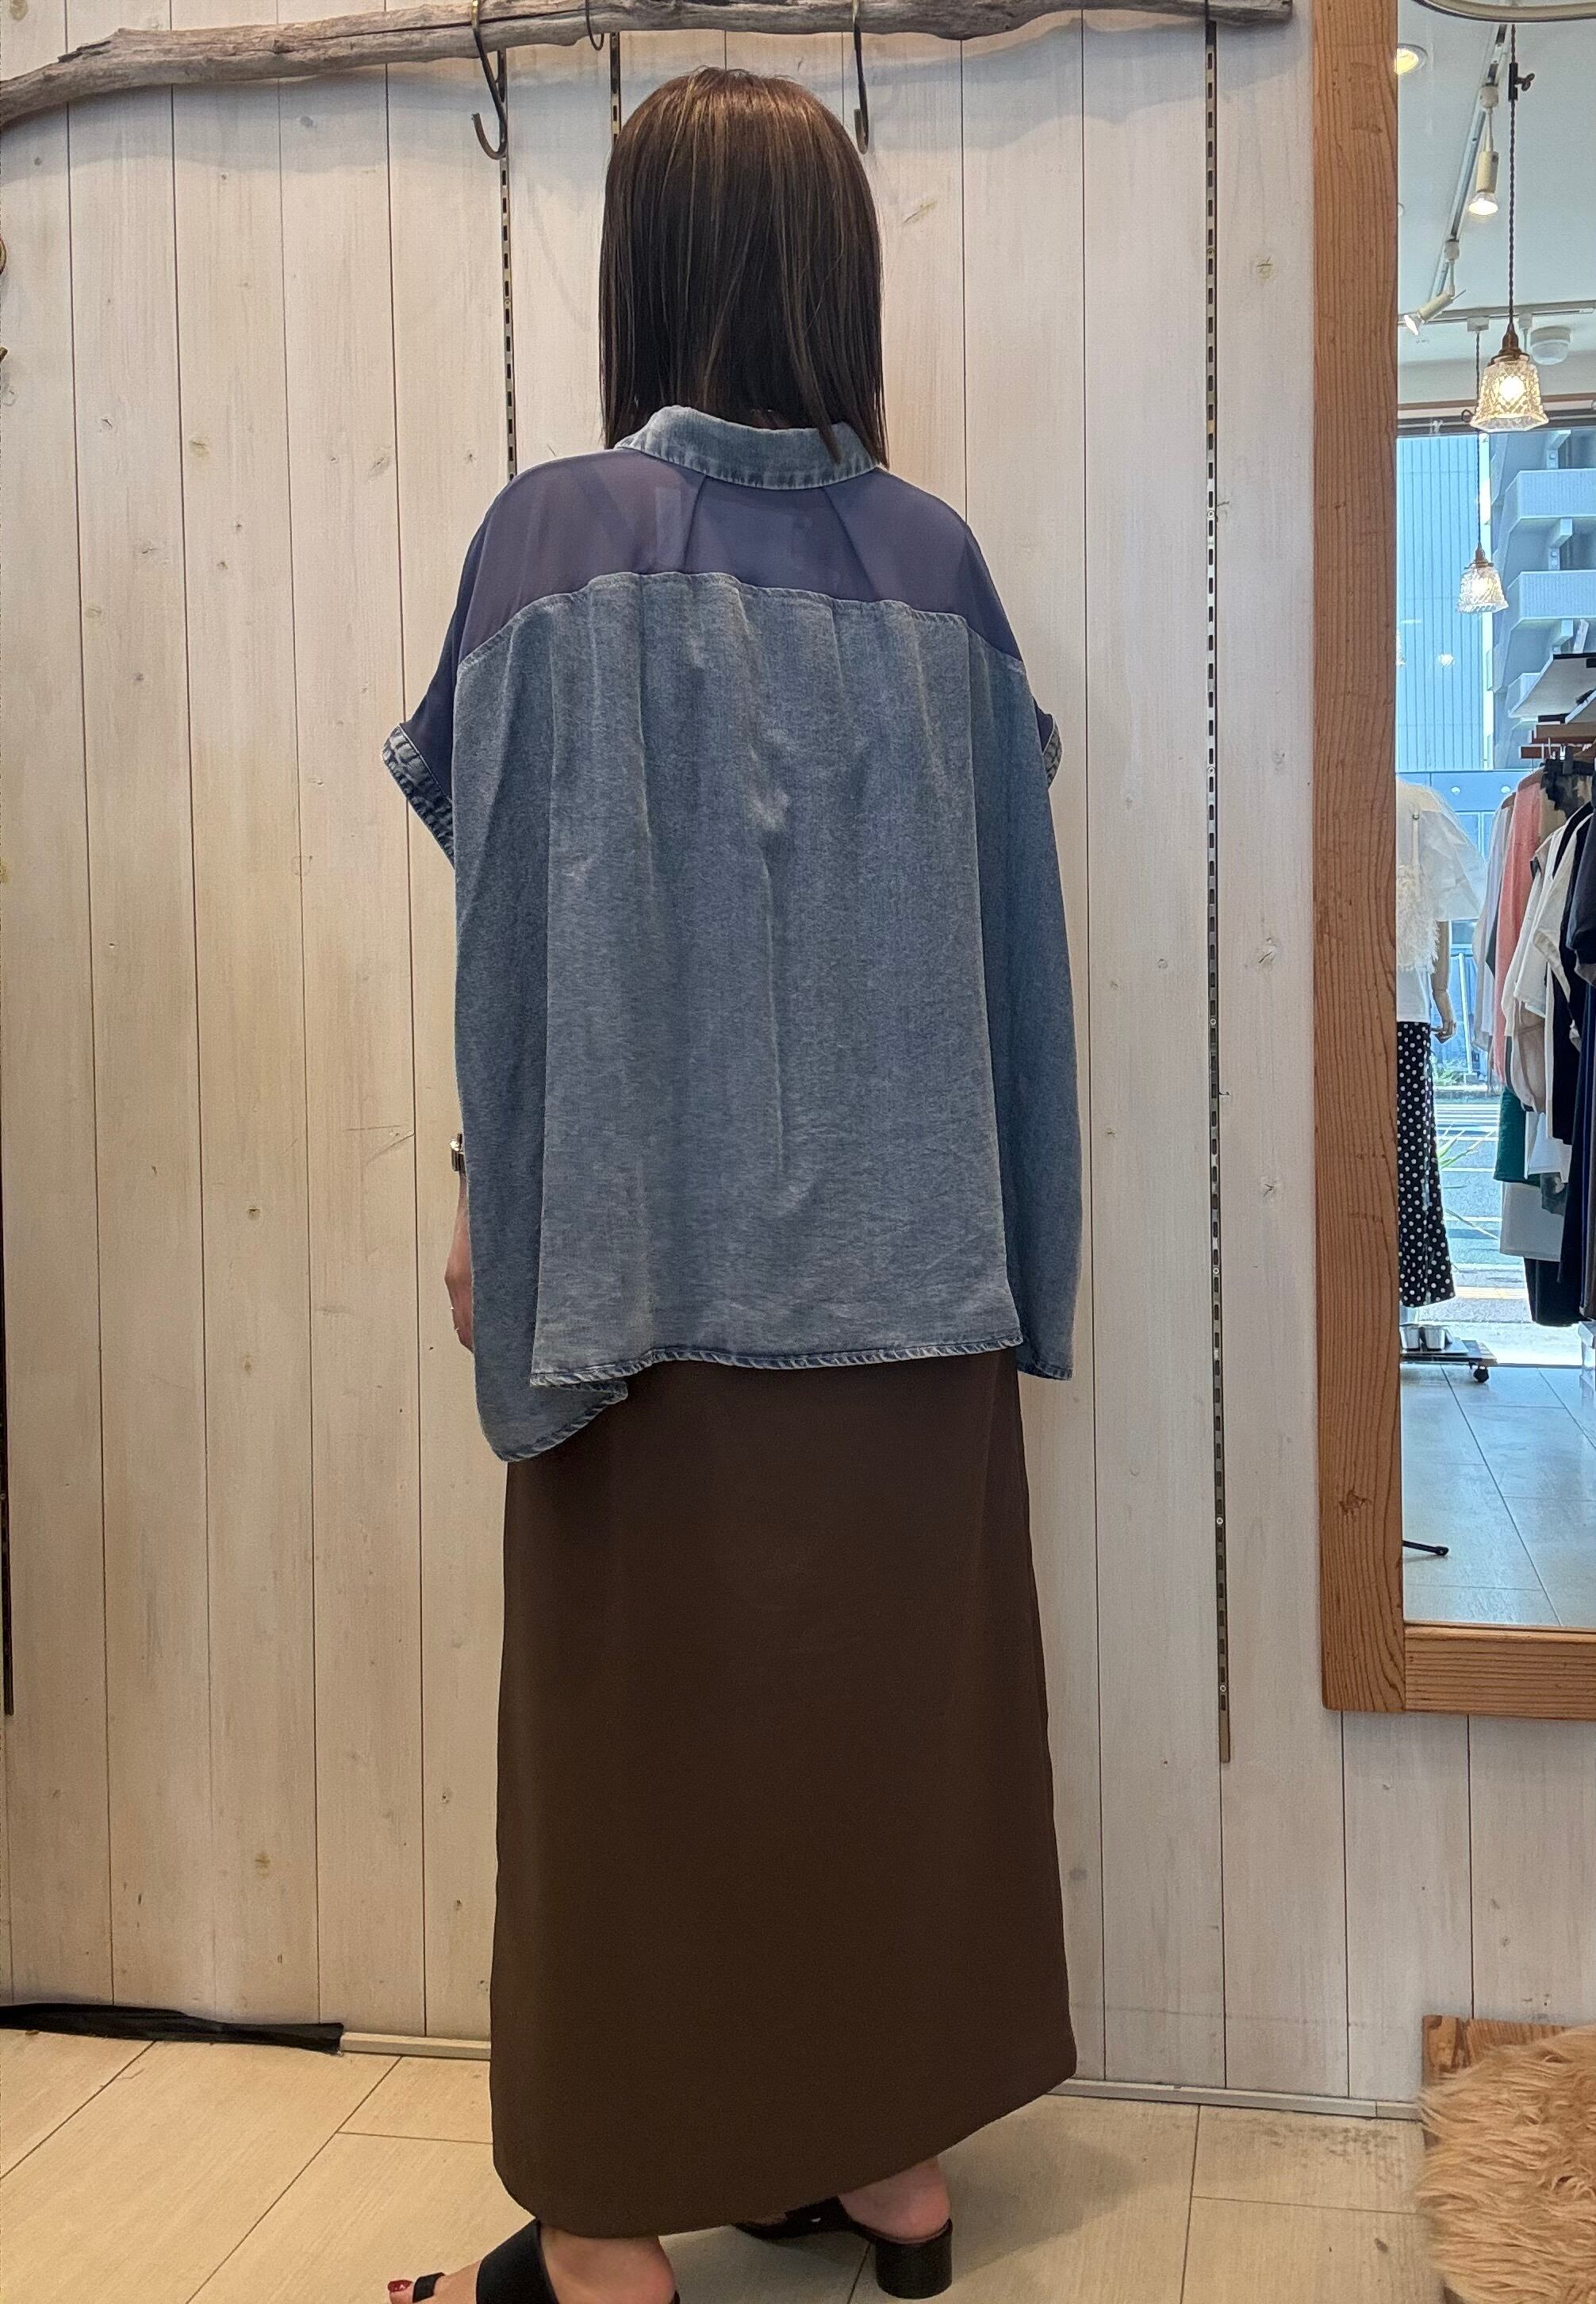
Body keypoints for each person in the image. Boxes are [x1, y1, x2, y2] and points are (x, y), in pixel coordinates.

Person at [383, 65, 1081, 2304]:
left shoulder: (554, 545)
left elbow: (511, 934)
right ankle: (889, 2172)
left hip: (641, 1295)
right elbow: (1013, 956)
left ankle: (605, 2240)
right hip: (920, 1288)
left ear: (646, 270)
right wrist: (1023, 1260)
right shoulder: (942, 572)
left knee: (626, 1777)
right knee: (887, 1749)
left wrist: (499, 1205)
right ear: (836, 279)